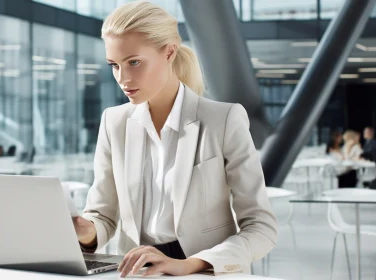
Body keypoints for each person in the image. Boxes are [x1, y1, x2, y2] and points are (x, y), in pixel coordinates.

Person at [72, 1, 277, 277]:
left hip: (201, 271)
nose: (123, 78)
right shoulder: (114, 122)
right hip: (134, 271)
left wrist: (191, 264)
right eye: (114, 65)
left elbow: (261, 227)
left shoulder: (223, 119)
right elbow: (104, 217)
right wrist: (85, 230)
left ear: (169, 52)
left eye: (134, 62)